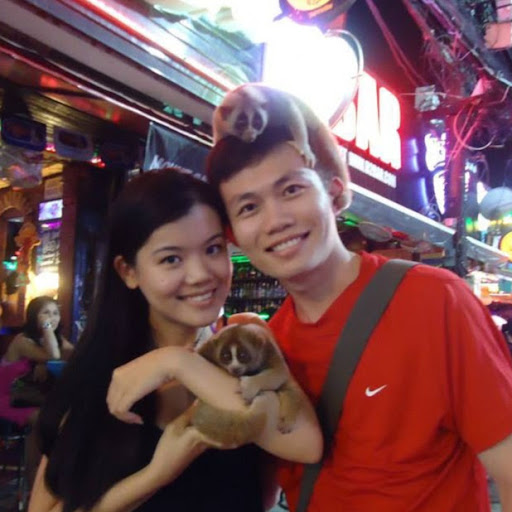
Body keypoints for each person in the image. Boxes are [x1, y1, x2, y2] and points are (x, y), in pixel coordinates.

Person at [203, 87, 512, 512]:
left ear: (333, 191)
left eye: (291, 190)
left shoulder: (434, 301)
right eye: (249, 208)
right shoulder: (269, 346)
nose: (276, 220)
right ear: (234, 234)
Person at [29, 168, 322, 512]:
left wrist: (177, 362)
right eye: (171, 259)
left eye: (213, 249)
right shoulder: (97, 380)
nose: (200, 275)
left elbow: (306, 444)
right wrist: (155, 475)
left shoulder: (246, 343)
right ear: (129, 271)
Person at [1, 295, 73, 487]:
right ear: (34, 316)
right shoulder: (22, 340)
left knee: (66, 415)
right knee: (47, 419)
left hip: (33, 400)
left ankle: (50, 477)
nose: (52, 317)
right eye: (46, 313)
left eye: (55, 313)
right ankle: (36, 482)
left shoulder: (55, 340)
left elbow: (76, 355)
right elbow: (54, 355)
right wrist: (47, 328)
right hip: (9, 400)